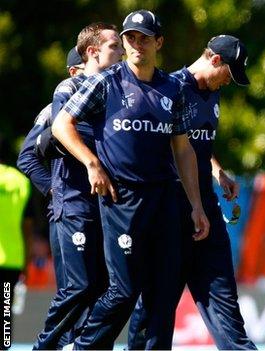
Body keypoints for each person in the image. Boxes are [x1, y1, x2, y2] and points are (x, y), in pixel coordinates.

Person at [51, 9, 209, 349]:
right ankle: (84, 347)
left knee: (163, 291)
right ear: (124, 42)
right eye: (130, 38)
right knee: (123, 290)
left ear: (159, 43)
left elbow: (183, 149)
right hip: (121, 199)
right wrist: (92, 163)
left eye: (145, 38)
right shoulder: (104, 82)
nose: (137, 44)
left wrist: (196, 204)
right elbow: (61, 125)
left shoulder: (173, 88)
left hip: (164, 198)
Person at [127, 34, 256, 350]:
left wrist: (217, 170)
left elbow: (193, 144)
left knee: (224, 297)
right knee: (157, 306)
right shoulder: (169, 89)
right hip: (169, 210)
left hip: (206, 207)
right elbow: (167, 147)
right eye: (228, 73)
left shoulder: (213, 92)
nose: (228, 82)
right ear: (214, 59)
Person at [33, 22, 124, 350]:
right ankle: (46, 347)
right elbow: (42, 146)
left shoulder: (121, 89)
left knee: (109, 289)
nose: (124, 52)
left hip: (108, 205)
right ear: (92, 52)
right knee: (79, 287)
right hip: (72, 201)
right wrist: (53, 190)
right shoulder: (68, 89)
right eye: (116, 45)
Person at [16, 45, 86, 349]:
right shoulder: (54, 109)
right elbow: (27, 158)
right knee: (75, 289)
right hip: (69, 209)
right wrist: (54, 188)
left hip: (99, 209)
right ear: (73, 72)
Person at [0, 135, 31, 351]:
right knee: (4, 311)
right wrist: (26, 261)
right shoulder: (20, 181)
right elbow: (27, 226)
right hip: (12, 257)